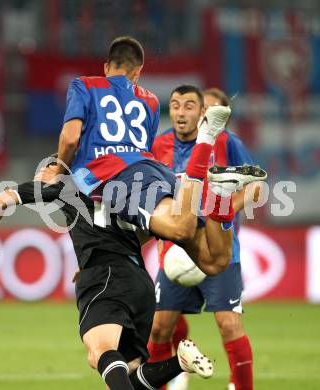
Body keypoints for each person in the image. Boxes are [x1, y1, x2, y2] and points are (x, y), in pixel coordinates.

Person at [0, 155, 214, 390]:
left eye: (46, 167)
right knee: (127, 371)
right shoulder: (123, 185)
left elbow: (0, 202)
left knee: (101, 353)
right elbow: (147, 230)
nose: (41, 173)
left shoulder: (63, 187)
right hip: (138, 280)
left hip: (103, 275)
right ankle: (178, 362)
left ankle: (177, 362)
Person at [47, 35, 266, 279]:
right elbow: (143, 152)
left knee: (181, 230)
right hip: (151, 174)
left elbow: (69, 138)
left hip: (117, 181)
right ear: (138, 71)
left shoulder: (84, 85)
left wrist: (58, 171)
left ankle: (204, 141)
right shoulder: (148, 100)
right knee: (216, 263)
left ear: (106, 66)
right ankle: (222, 196)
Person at [148, 86, 257, 390]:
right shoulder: (158, 147)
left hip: (220, 252)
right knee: (158, 330)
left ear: (200, 114)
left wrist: (219, 211)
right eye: (176, 106)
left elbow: (256, 189)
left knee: (229, 324)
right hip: (177, 252)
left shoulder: (225, 142)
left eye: (189, 107)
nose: (182, 113)